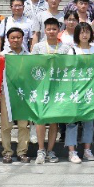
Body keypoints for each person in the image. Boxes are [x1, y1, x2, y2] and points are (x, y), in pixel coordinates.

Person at [59, 23, 94, 163]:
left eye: (87, 32)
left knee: (89, 121)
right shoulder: (72, 51)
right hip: (75, 91)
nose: (84, 35)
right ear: (77, 34)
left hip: (91, 91)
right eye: (81, 32)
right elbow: (67, 70)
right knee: (72, 122)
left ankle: (87, 150)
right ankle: (72, 151)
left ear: (91, 34)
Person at [31, 17, 62, 165]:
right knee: (40, 119)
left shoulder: (65, 48)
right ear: (44, 30)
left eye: (54, 29)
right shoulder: (38, 47)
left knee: (54, 121)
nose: (51, 31)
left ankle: (50, 150)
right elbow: (32, 65)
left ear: (58, 30)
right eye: (49, 29)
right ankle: (41, 150)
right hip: (41, 87)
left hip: (58, 88)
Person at [0, 27, 31, 163]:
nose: (16, 40)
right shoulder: (2, 56)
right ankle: (7, 152)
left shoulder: (28, 56)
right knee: (6, 125)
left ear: (23, 39)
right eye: (13, 38)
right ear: (8, 39)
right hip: (7, 94)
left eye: (18, 37)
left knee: (23, 125)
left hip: (23, 94)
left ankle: (22, 152)